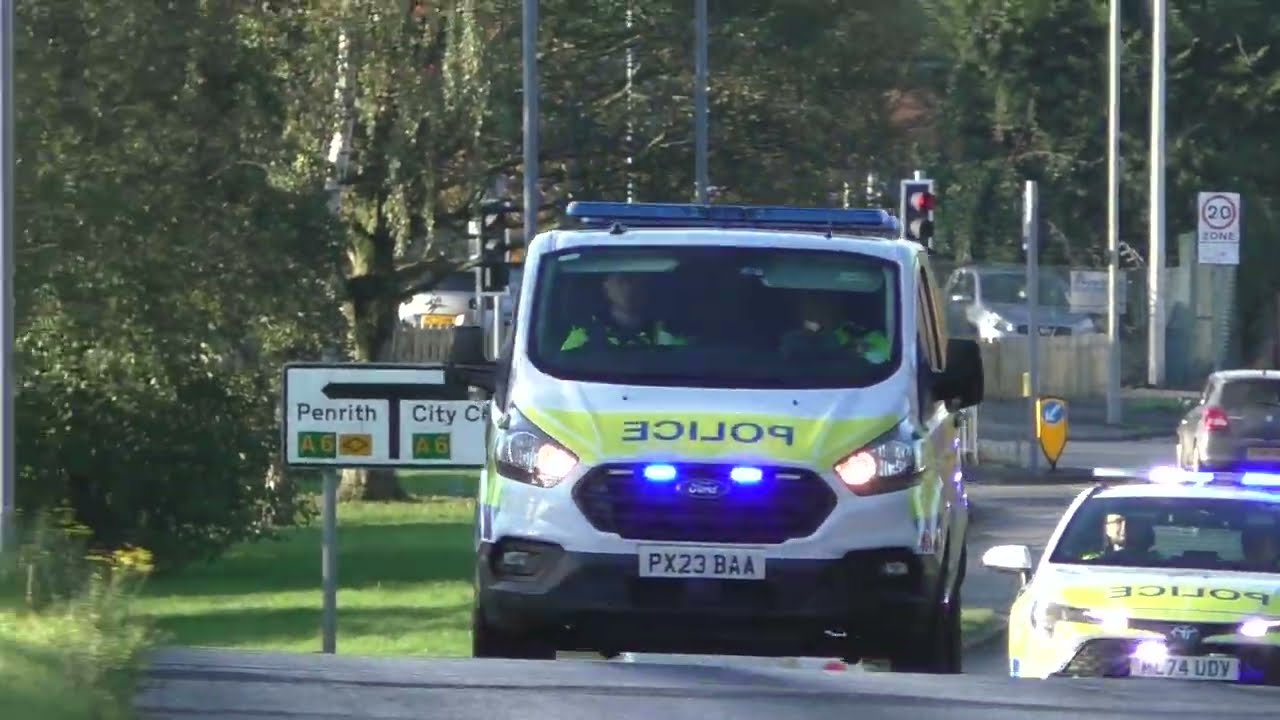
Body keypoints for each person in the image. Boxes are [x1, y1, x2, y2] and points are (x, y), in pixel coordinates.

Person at [560, 272, 690, 351]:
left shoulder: (669, 334)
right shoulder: (583, 338)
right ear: (606, 287)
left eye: (636, 280)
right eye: (621, 280)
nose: (629, 288)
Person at [779, 292, 890, 364]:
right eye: (814, 300)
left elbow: (881, 355)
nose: (818, 310)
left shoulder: (851, 333)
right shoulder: (791, 340)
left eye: (824, 302)